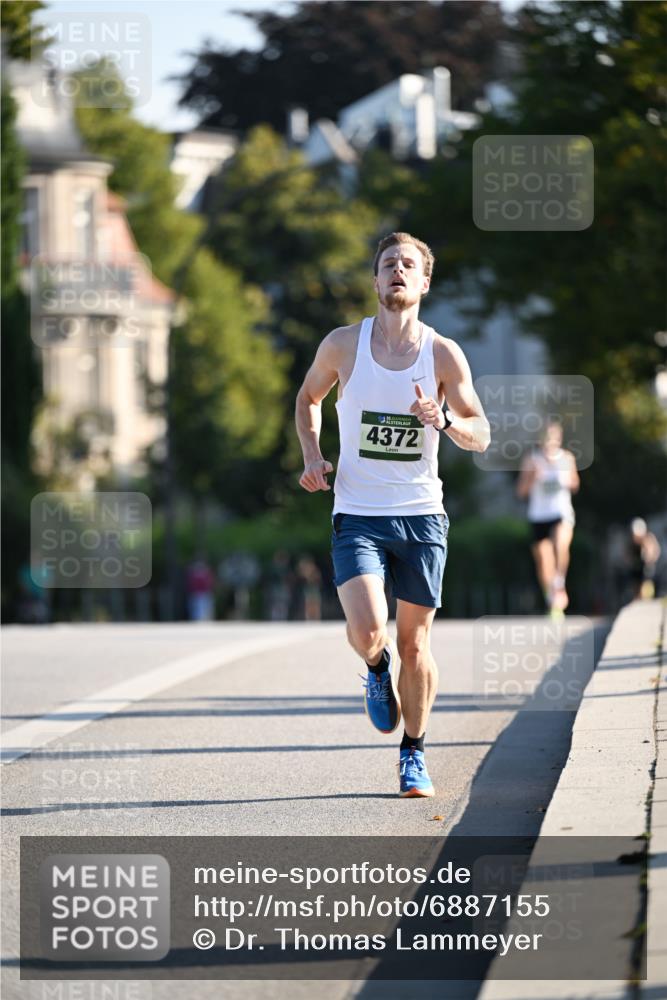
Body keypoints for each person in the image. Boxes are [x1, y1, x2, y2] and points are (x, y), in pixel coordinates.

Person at [295, 232, 490, 797]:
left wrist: (445, 422)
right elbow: (308, 397)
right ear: (376, 280)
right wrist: (313, 456)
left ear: (425, 282)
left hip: (423, 517)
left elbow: (481, 432)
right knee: (369, 631)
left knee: (416, 645)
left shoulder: (443, 355)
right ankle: (375, 671)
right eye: (388, 264)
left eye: (409, 265)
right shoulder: (343, 346)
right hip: (357, 511)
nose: (398, 272)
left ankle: (414, 753)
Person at [516, 420, 580, 616]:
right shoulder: (531, 460)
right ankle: (551, 597)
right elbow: (521, 492)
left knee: (561, 543)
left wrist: (567, 478)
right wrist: (533, 477)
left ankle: (559, 581)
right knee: (543, 561)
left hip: (561, 512)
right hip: (538, 515)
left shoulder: (566, 458)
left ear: (559, 439)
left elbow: (575, 485)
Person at [625, 518, 661, 601]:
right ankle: (636, 597)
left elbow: (654, 551)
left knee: (647, 581)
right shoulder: (631, 541)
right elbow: (626, 554)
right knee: (634, 582)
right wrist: (629, 561)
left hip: (646, 566)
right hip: (636, 566)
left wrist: (649, 558)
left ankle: (644, 598)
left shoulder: (649, 539)